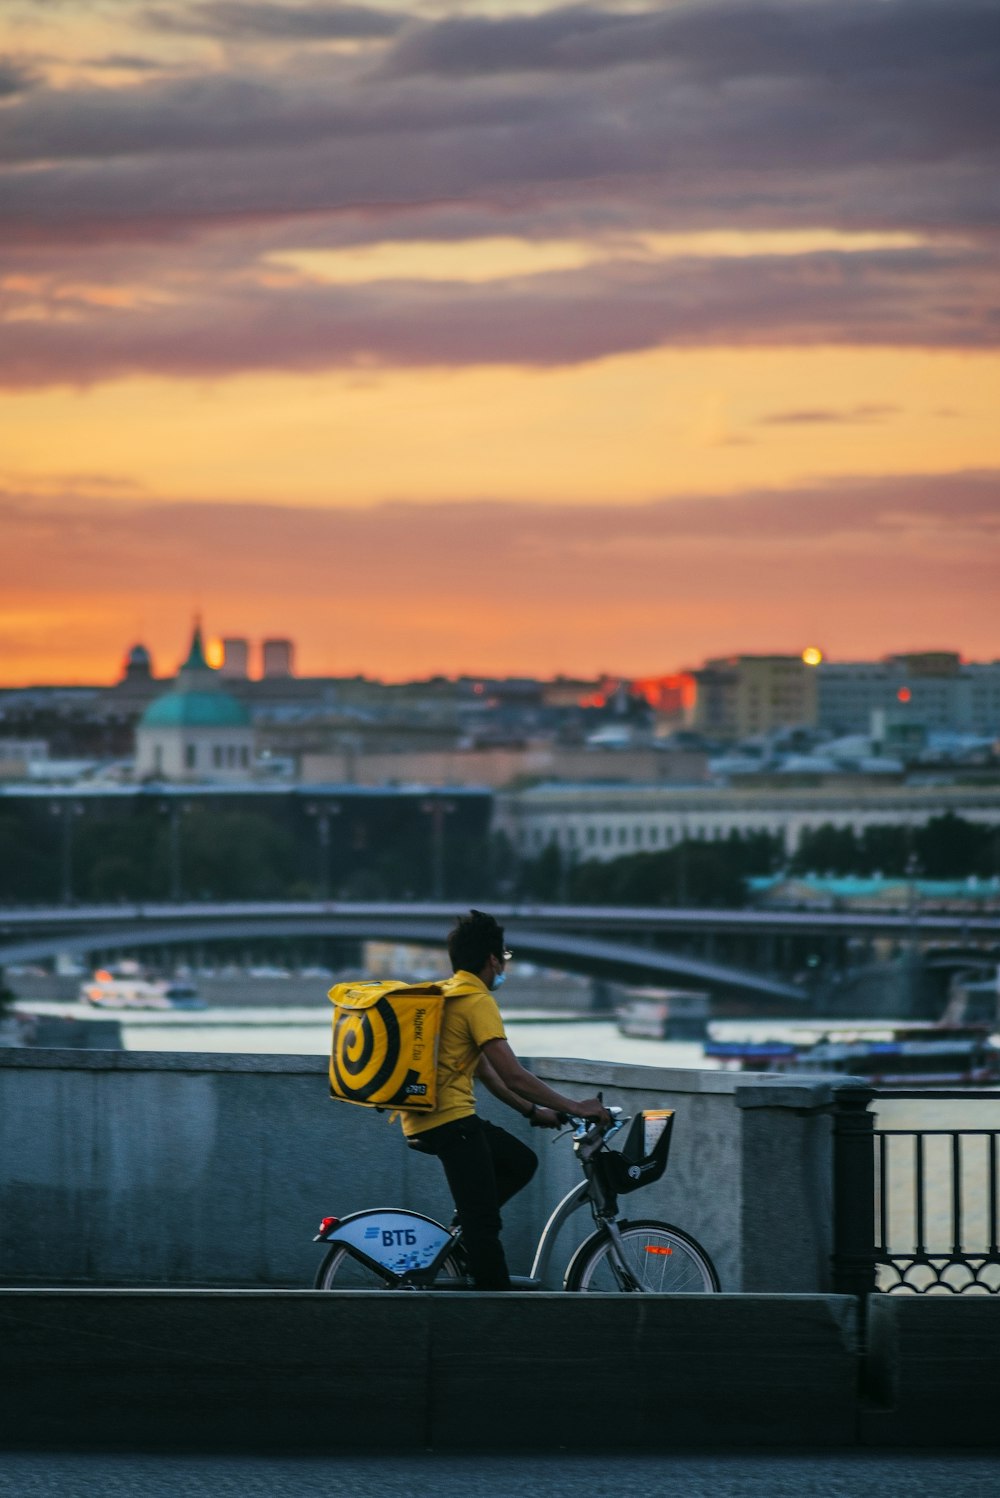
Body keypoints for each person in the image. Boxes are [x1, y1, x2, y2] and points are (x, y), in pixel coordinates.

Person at [403, 909, 609, 1290]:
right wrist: (577, 1107)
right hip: (451, 1123)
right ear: (492, 959)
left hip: (428, 1120)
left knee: (520, 1161)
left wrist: (534, 1112)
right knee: (487, 1235)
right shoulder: (476, 1001)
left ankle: (463, 1231)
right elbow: (514, 1073)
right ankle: (495, 1313)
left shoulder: (449, 995)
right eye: (504, 959)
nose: (503, 967)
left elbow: (487, 1073)